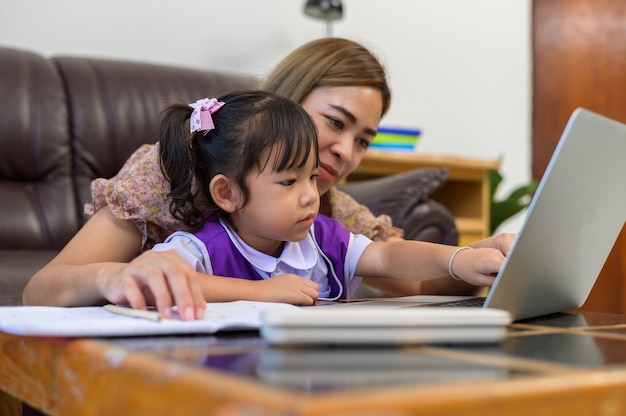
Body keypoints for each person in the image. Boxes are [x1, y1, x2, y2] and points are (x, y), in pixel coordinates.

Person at [23, 38, 513, 320]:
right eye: (336, 123)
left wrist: (475, 259)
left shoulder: (324, 205)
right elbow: (43, 289)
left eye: (364, 140)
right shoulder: (168, 169)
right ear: (285, 103)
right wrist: (115, 275)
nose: (346, 152)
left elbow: (403, 273)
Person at [151, 91, 503, 308]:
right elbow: (153, 279)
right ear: (227, 193)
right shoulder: (201, 248)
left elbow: (386, 256)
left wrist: (458, 259)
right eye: (289, 180)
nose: (309, 196)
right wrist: (260, 292)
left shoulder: (323, 238)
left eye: (312, 176)